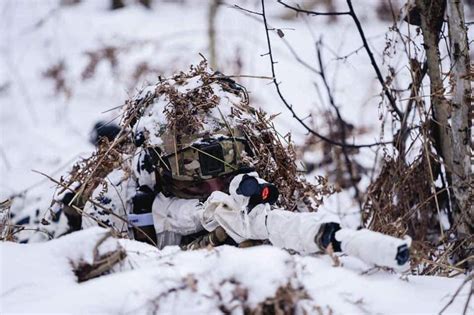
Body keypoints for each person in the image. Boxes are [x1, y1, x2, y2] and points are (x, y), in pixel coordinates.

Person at [52, 62, 411, 271]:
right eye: (194, 186)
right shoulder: (123, 193)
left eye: (223, 179)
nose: (214, 192)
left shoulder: (242, 190)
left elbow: (289, 228)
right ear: (161, 177)